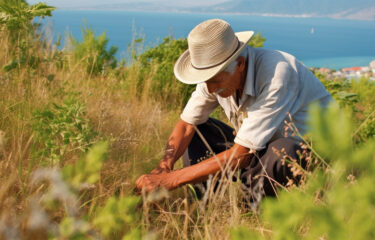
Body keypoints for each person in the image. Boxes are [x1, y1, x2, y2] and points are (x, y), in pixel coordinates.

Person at [135, 19, 333, 206]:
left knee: (283, 151)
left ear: (240, 64)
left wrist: (172, 180)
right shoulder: (214, 76)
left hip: (311, 160)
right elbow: (187, 125)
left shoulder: (277, 74)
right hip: (259, 150)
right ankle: (207, 205)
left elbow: (243, 154)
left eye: (216, 81)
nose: (210, 89)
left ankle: (257, 211)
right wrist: (163, 167)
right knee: (199, 130)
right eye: (206, 81)